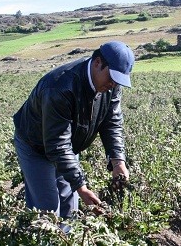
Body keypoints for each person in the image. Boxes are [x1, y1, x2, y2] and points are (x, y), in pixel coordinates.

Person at [13, 40, 134, 219]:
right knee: (47, 209)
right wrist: (81, 187)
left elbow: (112, 122)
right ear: (98, 63)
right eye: (112, 78)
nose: (114, 85)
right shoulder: (59, 87)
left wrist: (118, 161)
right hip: (36, 146)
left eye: (119, 81)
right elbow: (57, 144)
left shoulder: (111, 85)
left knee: (70, 207)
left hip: (68, 145)